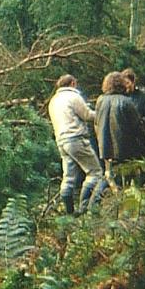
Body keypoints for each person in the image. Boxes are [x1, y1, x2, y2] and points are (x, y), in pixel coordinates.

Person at [47, 74, 105, 215]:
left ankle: (69, 213)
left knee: (68, 177)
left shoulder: (53, 101)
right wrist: (102, 114)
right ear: (73, 83)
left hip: (62, 141)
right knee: (95, 173)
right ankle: (84, 209)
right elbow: (87, 115)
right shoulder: (73, 97)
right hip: (76, 139)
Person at [94, 71, 145, 187]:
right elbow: (137, 127)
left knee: (108, 177)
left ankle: (90, 202)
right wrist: (143, 146)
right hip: (124, 149)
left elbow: (96, 124)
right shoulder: (126, 102)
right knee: (125, 179)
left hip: (105, 149)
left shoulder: (100, 100)